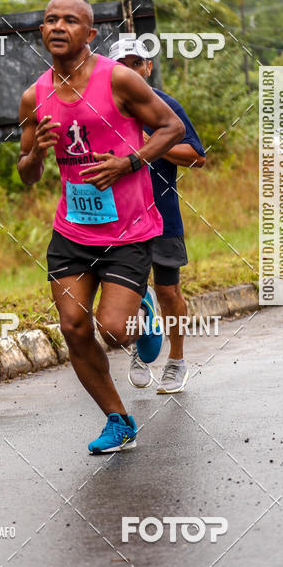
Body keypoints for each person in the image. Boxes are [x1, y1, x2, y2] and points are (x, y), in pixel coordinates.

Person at [17, 0, 185, 454]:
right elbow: (27, 172)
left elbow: (171, 128)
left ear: (89, 34)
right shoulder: (35, 95)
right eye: (51, 19)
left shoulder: (120, 80)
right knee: (73, 326)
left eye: (70, 20)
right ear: (41, 31)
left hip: (129, 229)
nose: (58, 26)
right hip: (72, 231)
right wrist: (36, 152)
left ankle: (142, 317)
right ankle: (118, 420)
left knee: (113, 329)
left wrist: (128, 163)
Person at [108, 36, 206, 393]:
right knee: (127, 293)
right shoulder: (104, 109)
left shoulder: (165, 106)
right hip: (118, 219)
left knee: (168, 290)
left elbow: (197, 156)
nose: (130, 69)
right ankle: (139, 349)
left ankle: (177, 360)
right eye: (122, 65)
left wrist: (153, 146)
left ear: (148, 67)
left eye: (137, 63)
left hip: (162, 215)